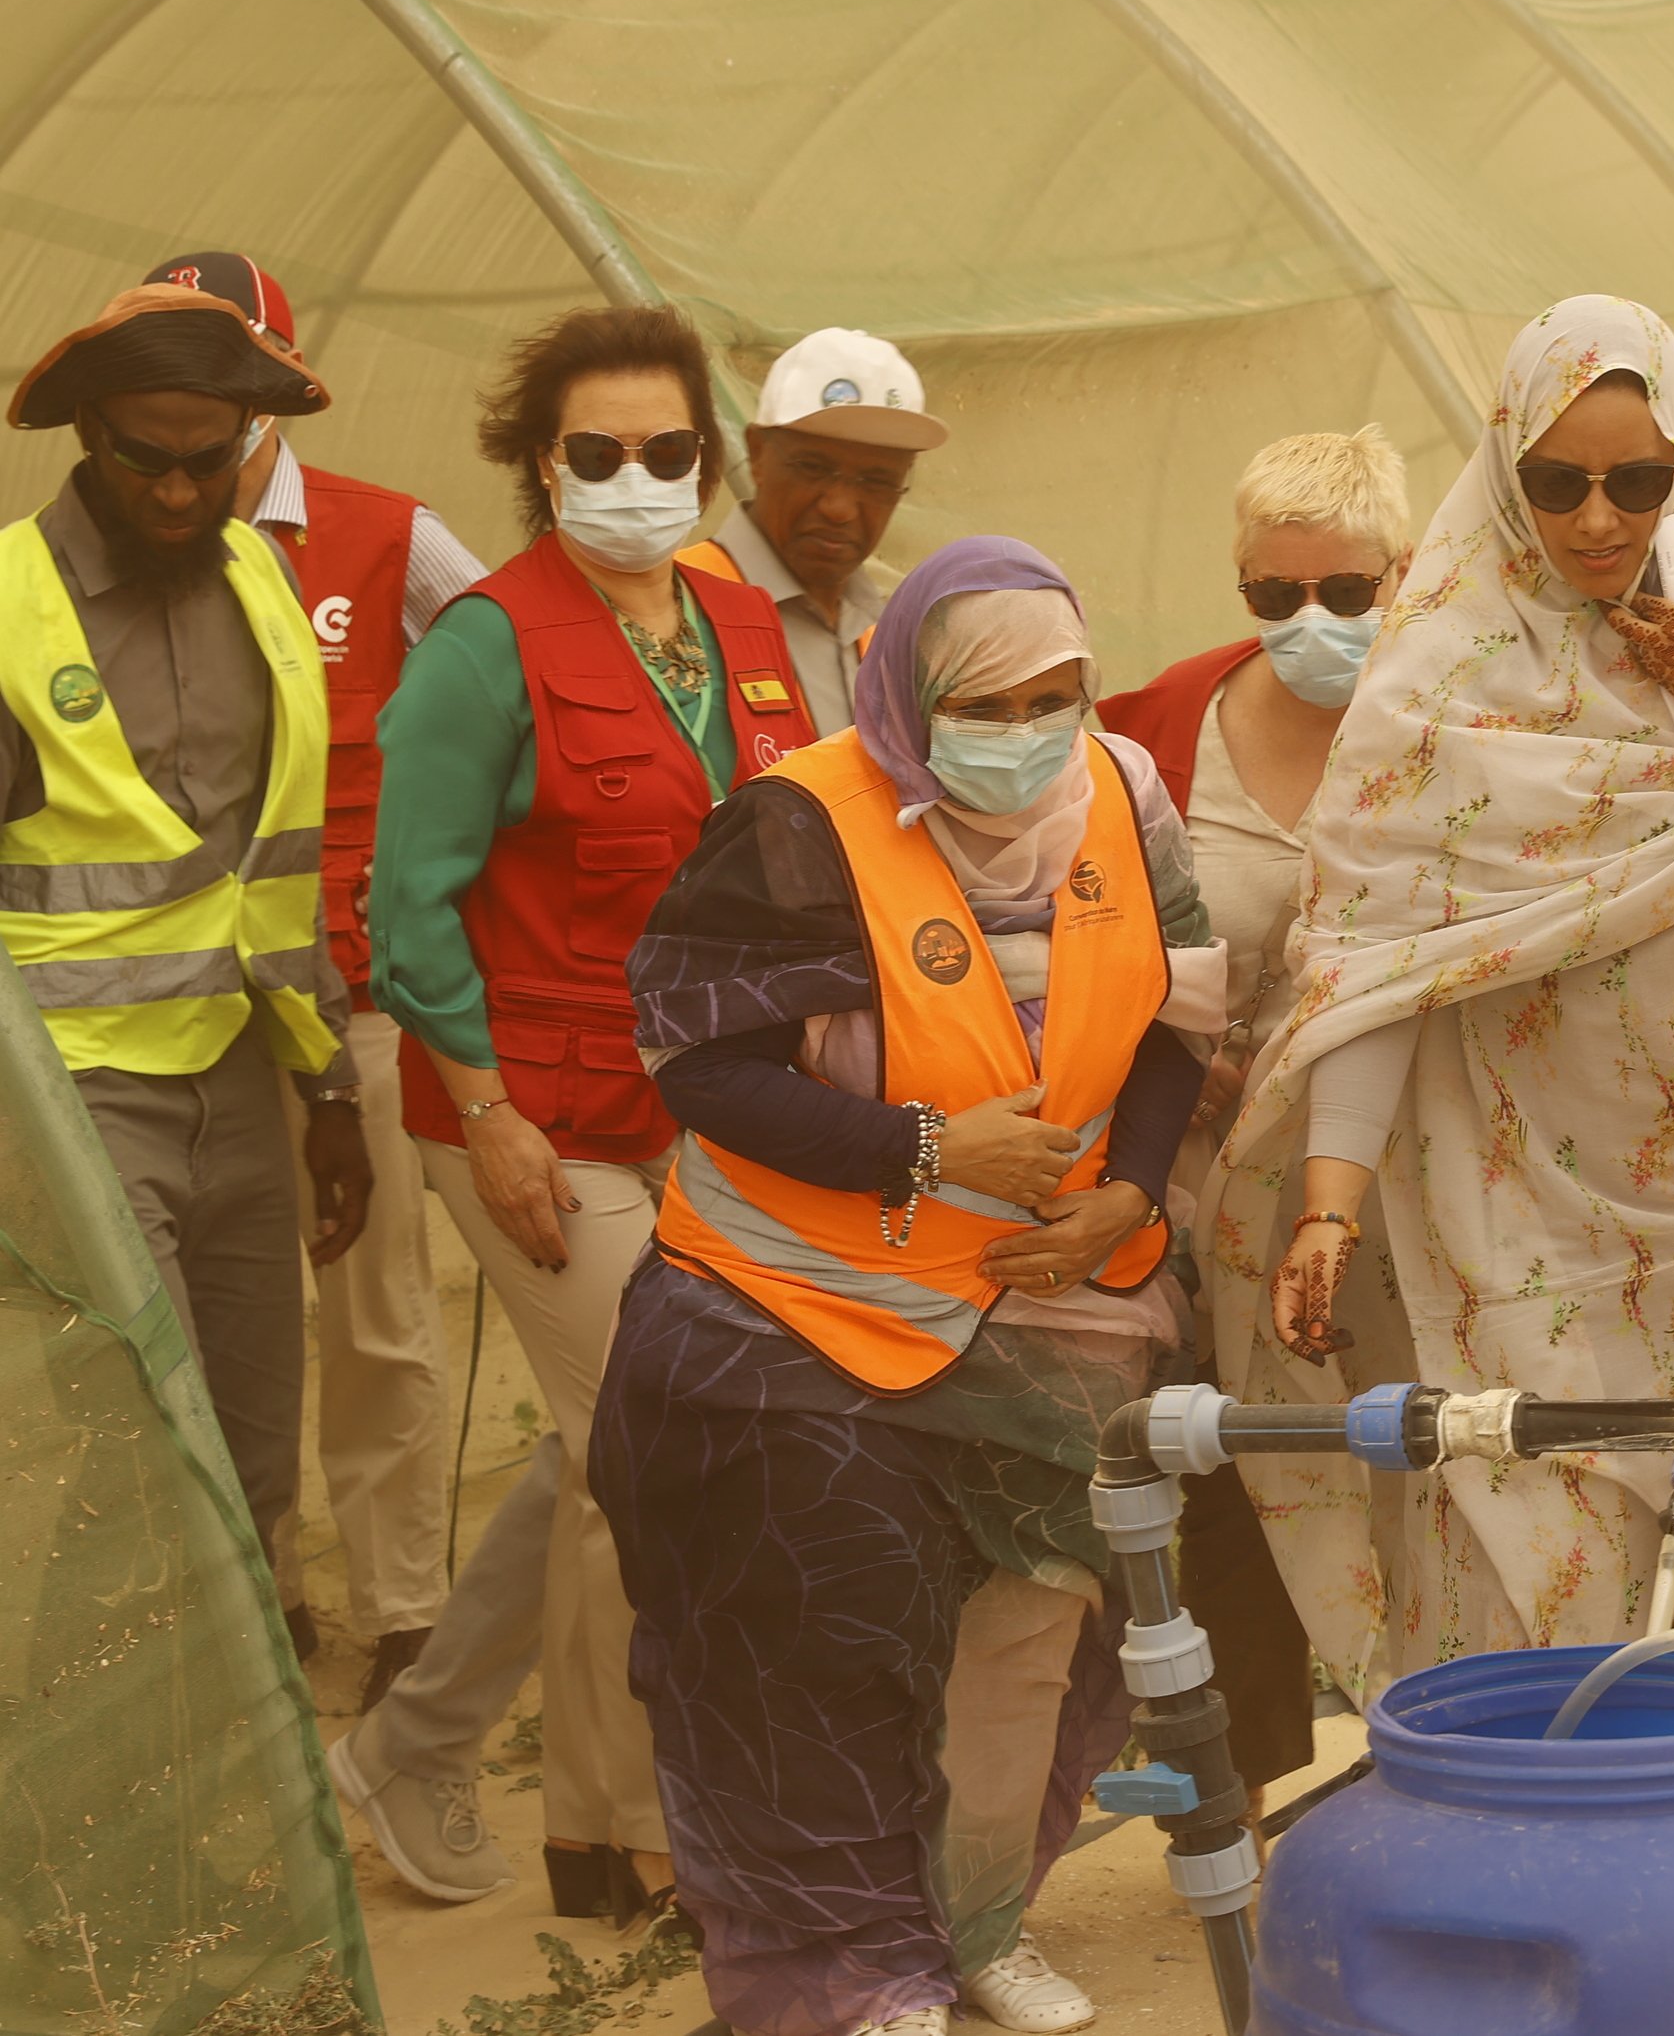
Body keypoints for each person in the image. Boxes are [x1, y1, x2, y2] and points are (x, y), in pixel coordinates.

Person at [1206, 296, 1674, 1696]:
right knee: (1521, 1577)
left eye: (1637, 482)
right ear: (1504, 466)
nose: (1599, 520)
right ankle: (1537, 1887)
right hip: (1516, 1205)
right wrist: (1328, 1200)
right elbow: (1378, 955)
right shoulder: (1438, 664)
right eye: (1559, 482)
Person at [593, 536, 1223, 2036]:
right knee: (823, 1630)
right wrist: (927, 1146)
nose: (1028, 729)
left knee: (1033, 1622)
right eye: (986, 701)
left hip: (1057, 1286)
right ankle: (847, 1966)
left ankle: (979, 1920)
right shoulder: (798, 825)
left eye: (1057, 693)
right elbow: (703, 1065)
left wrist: (1128, 1190)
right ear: (903, 693)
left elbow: (1176, 1015)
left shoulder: (1128, 793)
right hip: (799, 1300)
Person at [330, 305, 815, 1921]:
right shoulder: (485, 640)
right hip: (531, 1113)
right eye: (595, 454)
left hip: (706, 1108)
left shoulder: (739, 624)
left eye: (666, 452)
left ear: (705, 460)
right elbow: (409, 913)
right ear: (542, 465)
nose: (633, 479)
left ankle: (541, 1799)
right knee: (658, 1443)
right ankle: (667, 1824)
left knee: (607, 1446)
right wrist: (487, 1114)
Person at [142, 248, 489, 1704]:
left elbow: (507, 681)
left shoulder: (389, 539)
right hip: (171, 1015)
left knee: (379, 1315)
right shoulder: (106, 548)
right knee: (209, 1321)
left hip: (350, 997)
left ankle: (406, 1603)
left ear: (280, 391)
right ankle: (259, 1591)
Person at [0, 282, 369, 1602]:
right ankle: (84, 1784)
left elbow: (279, 866)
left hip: (236, 1079)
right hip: (74, 1093)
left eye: (205, 461)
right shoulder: (5, 606)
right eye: (141, 460)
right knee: (153, 1460)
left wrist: (331, 1089)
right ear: (87, 437)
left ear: (247, 448)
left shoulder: (266, 585)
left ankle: (215, 1785)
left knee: (260, 1458)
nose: (172, 491)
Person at [1097, 424, 1412, 1807]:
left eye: (1346, 592)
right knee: (1216, 1462)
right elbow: (1081, 923)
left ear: (1404, 575)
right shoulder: (1160, 725)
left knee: (1414, 1447)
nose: (1312, 623)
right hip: (1197, 1178)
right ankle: (1248, 1784)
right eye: (1274, 596)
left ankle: (1432, 1738)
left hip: (1398, 1173)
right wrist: (1165, 1054)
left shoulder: (1451, 722)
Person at [676, 326, 946, 735]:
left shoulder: (891, 636)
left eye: (876, 480)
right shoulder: (673, 606)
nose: (839, 508)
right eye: (813, 468)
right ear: (757, 453)